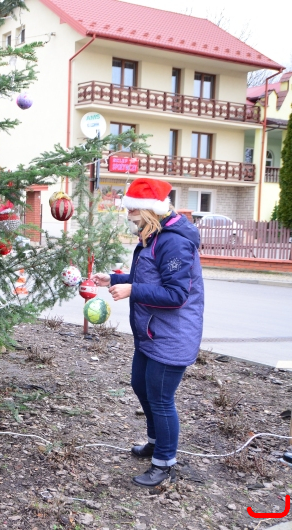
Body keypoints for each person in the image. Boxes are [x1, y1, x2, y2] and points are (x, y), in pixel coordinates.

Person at [92, 177, 204, 488]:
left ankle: (164, 464)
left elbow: (176, 295)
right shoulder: (155, 236)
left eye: (134, 215)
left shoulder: (174, 242)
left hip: (172, 335)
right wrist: (115, 278)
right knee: (140, 385)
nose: (131, 221)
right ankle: (156, 443)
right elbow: (149, 276)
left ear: (150, 212)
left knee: (161, 398)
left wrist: (132, 290)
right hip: (152, 332)